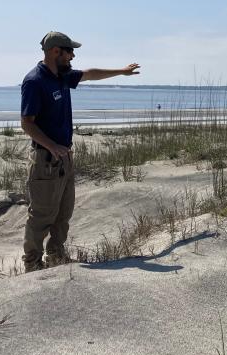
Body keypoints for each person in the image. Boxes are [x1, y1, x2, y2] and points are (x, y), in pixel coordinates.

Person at [20, 31, 140, 271]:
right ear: (56, 51)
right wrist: (52, 146)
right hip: (45, 160)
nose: (73, 55)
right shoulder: (35, 81)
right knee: (41, 216)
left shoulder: (62, 76)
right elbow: (27, 123)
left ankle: (55, 256)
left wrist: (122, 71)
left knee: (63, 214)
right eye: (69, 51)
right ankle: (32, 265)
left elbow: (89, 74)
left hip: (64, 159)